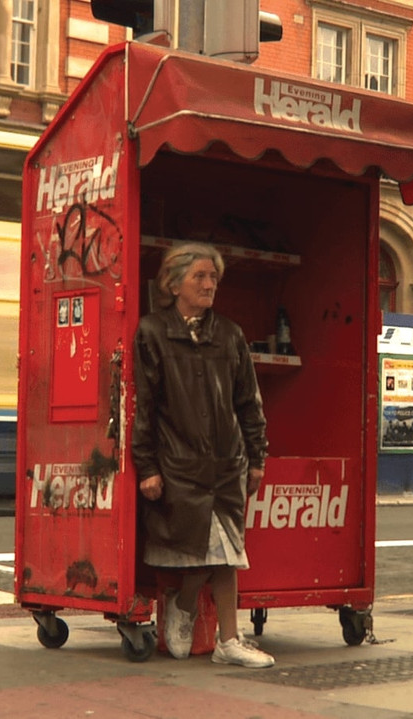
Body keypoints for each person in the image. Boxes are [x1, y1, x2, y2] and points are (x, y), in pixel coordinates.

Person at [131, 242, 274, 668]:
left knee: (226, 552)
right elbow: (145, 405)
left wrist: (258, 456)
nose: (210, 284)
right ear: (174, 284)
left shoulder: (229, 334)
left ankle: (224, 636)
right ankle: (189, 607)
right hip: (179, 465)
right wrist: (147, 467)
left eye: (213, 277)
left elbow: (249, 401)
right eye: (200, 277)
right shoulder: (152, 332)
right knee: (206, 551)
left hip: (227, 464)